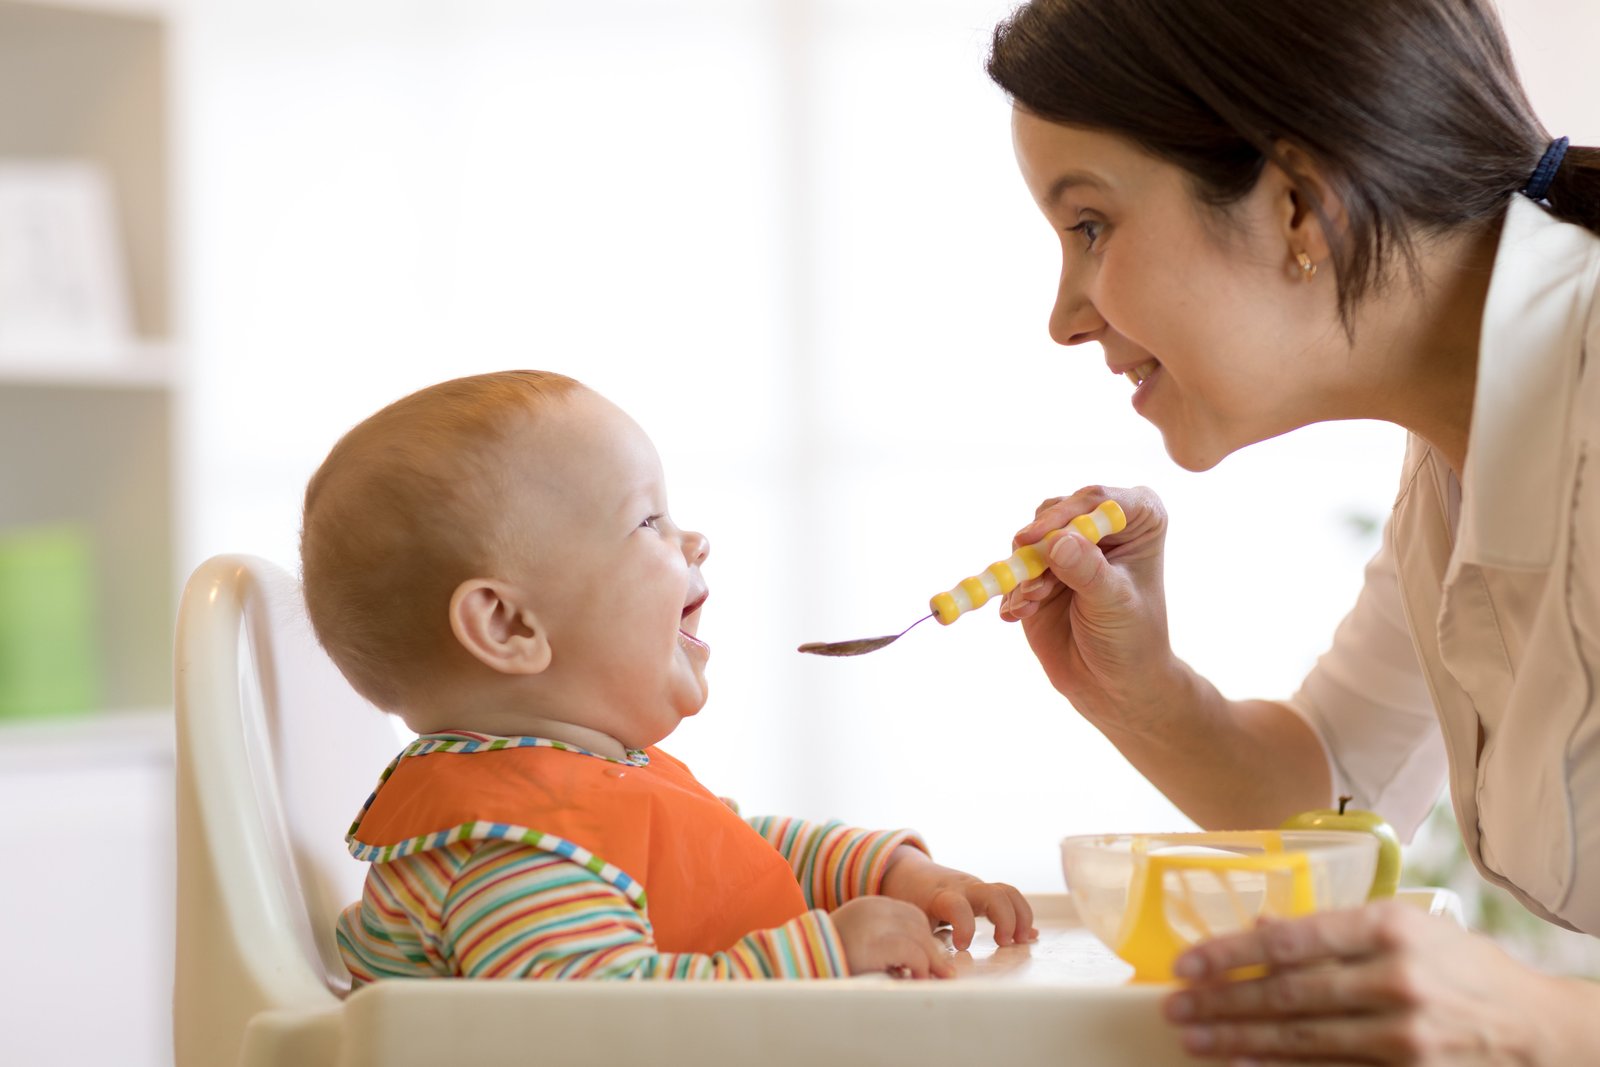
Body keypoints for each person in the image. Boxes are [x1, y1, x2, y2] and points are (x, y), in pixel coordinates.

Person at [984, 0, 1600, 1061]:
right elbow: (1326, 790)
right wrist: (1138, 685)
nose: (1064, 314)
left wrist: (1534, 1018)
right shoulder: (1461, 451)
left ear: (1297, 208)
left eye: (1090, 225)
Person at [300, 370, 1034, 984]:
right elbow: (617, 1029)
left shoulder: (583, 787)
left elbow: (736, 850)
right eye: (648, 521)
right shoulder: (509, 852)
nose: (695, 539)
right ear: (509, 626)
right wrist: (823, 955)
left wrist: (884, 871)